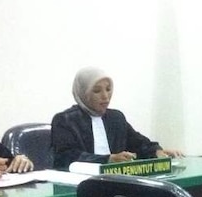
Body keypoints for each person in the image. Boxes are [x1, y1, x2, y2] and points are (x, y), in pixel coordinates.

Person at [51, 67, 183, 169]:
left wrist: (157, 151)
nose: (105, 96)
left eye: (108, 89)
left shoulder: (115, 118)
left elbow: (138, 143)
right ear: (83, 93)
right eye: (97, 91)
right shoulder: (65, 120)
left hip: (116, 181)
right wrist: (108, 159)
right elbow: (65, 157)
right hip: (80, 184)